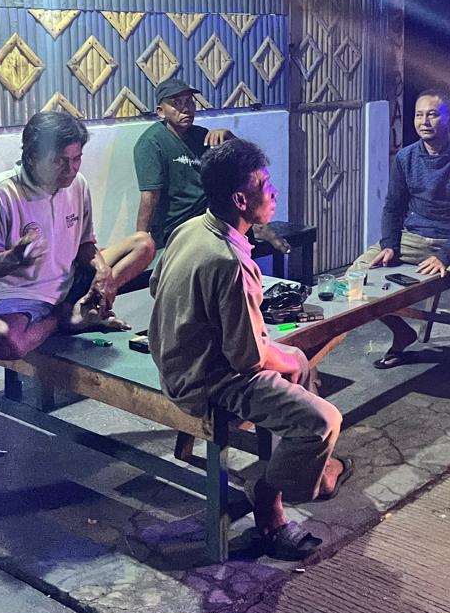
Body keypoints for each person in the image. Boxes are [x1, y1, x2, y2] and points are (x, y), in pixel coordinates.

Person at [149, 139, 350, 560]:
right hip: (205, 381)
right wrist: (288, 356)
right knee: (323, 419)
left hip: (173, 361)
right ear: (241, 200)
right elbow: (247, 358)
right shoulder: (230, 261)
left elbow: (156, 286)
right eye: (265, 185)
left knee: (296, 364)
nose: (273, 192)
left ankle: (310, 467)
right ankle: (269, 497)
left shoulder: (189, 228)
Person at [0, 111, 154, 361]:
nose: (70, 169)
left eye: (76, 159)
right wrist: (13, 258)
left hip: (68, 281)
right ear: (32, 156)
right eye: (59, 161)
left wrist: (103, 272)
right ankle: (63, 319)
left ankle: (79, 307)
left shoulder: (78, 184)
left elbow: (85, 244)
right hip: (20, 295)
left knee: (143, 244)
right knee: (2, 341)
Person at [352, 89, 450, 378]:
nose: (424, 121)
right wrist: (389, 244)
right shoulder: (406, 157)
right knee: (354, 281)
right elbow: (393, 206)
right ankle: (402, 333)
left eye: (432, 114)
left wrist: (446, 255)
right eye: (419, 115)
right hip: (413, 236)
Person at [134, 77, 289, 253]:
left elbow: (244, 161)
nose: (186, 108)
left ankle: (257, 226)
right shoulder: (151, 143)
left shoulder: (201, 135)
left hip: (209, 214)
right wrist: (141, 241)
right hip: (178, 223)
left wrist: (230, 138)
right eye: (176, 103)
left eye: (189, 102)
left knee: (240, 177)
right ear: (161, 112)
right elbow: (150, 196)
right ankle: (252, 230)